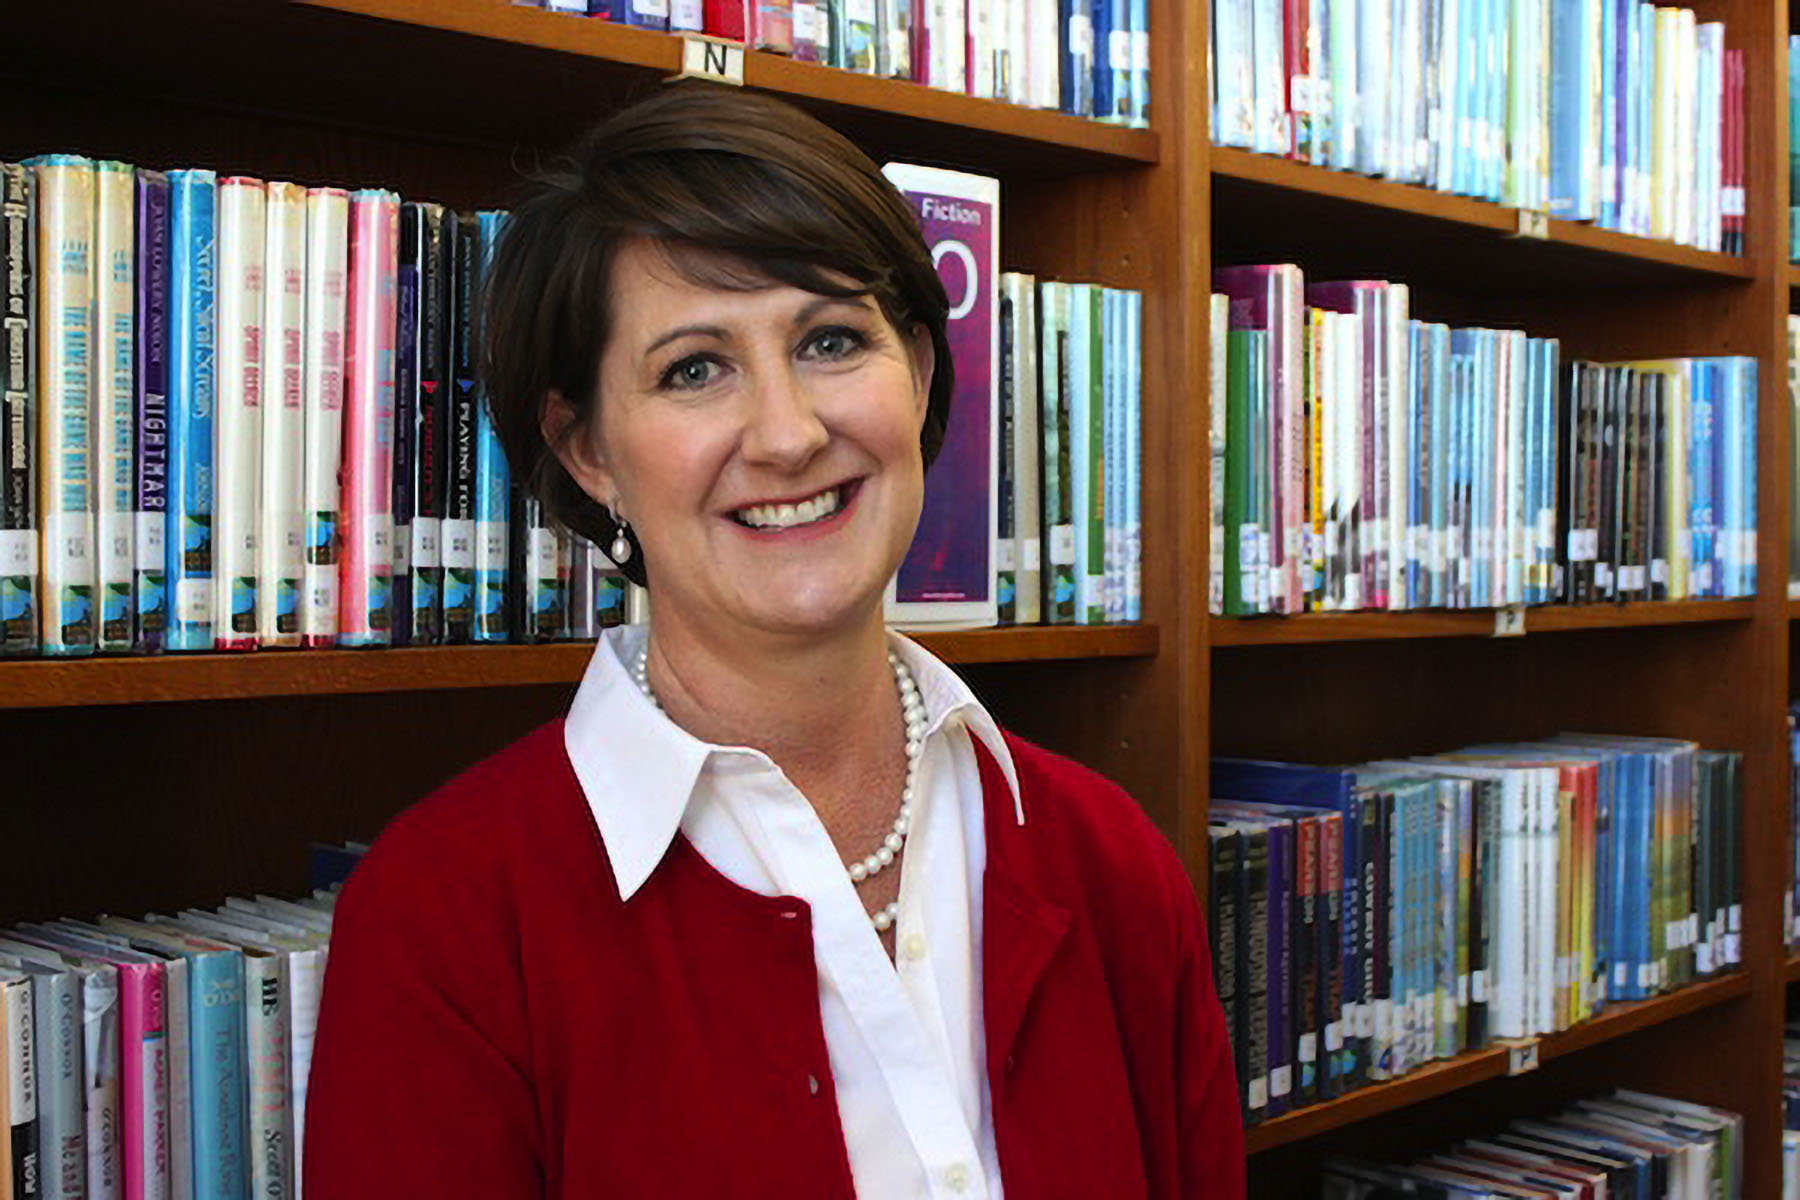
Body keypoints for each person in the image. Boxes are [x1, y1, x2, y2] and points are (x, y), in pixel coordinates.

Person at [304, 82, 1245, 1199]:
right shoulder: (442, 924)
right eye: (695, 368)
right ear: (588, 450)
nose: (791, 435)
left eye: (833, 340)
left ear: (922, 377)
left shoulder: (1111, 862)